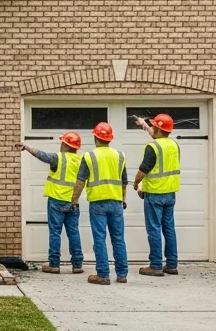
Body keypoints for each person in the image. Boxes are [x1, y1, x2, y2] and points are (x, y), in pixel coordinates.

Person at [20, 132, 86, 274]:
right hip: (73, 202)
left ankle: (54, 264)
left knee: (55, 232)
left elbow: (41, 155)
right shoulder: (81, 160)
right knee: (73, 232)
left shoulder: (59, 158)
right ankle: (77, 265)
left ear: (65, 145)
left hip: (57, 201)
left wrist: (26, 146)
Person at [133, 114, 181, 277]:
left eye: (154, 126)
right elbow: (157, 137)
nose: (152, 128)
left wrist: (136, 183)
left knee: (154, 229)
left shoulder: (152, 147)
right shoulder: (173, 145)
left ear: (159, 129)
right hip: (170, 194)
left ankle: (155, 266)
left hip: (154, 194)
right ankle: (172, 265)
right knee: (169, 229)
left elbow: (143, 170)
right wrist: (144, 125)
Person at [81, 122, 128, 285]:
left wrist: (74, 200)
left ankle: (103, 274)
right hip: (116, 202)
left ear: (95, 137)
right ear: (110, 139)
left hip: (97, 203)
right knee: (118, 239)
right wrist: (123, 199)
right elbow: (124, 182)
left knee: (99, 239)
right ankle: (122, 274)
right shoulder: (120, 155)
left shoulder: (89, 156)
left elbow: (80, 181)